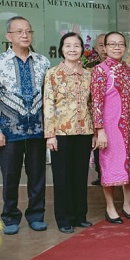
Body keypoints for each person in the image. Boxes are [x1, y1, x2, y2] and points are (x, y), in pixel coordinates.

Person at [0, 16, 51, 235]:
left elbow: (49, 97)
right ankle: (10, 216)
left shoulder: (43, 62)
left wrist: (50, 129)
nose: (24, 35)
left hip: (38, 130)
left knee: (38, 175)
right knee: (10, 176)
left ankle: (36, 215)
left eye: (28, 31)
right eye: (19, 31)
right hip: (8, 131)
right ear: (8, 36)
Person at [44, 32, 96, 234]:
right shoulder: (53, 73)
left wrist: (93, 132)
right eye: (68, 45)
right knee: (62, 176)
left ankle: (80, 216)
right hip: (61, 133)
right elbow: (48, 105)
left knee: (80, 174)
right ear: (61, 49)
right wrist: (50, 135)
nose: (72, 49)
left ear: (82, 49)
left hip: (84, 131)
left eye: (76, 45)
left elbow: (92, 104)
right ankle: (64, 218)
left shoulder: (88, 74)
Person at [91, 32, 130, 224]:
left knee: (128, 165)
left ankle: (127, 204)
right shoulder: (100, 70)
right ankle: (110, 207)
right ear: (105, 47)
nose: (117, 47)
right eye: (112, 44)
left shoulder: (129, 68)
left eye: (121, 44)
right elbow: (96, 102)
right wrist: (100, 129)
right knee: (110, 166)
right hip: (111, 127)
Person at [87, 33, 106, 186]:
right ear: (95, 49)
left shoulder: (124, 68)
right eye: (101, 45)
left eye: (107, 44)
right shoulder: (88, 68)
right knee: (98, 146)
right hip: (95, 113)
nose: (105, 48)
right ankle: (101, 174)